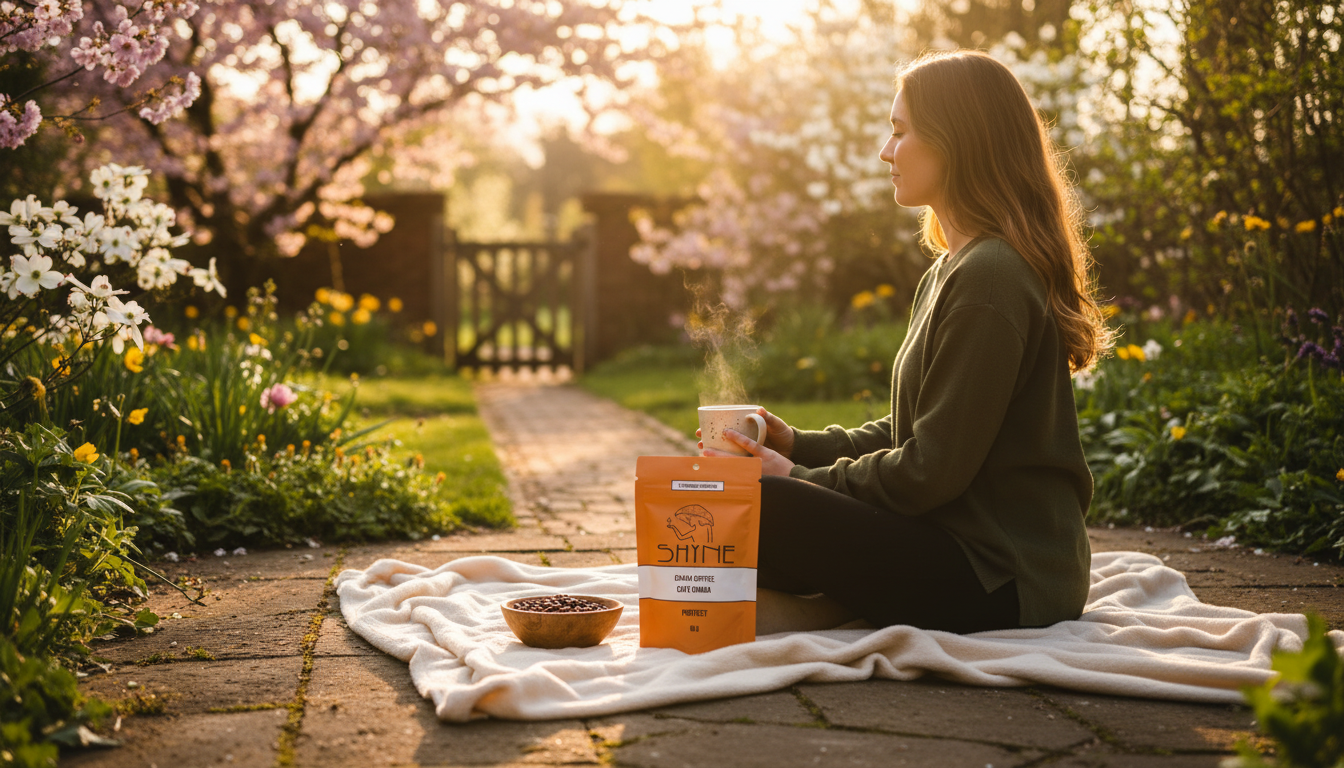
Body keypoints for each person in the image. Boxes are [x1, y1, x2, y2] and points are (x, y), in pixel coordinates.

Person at [699, 50, 1113, 635]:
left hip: (1002, 575)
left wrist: (793, 479)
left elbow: (927, 473)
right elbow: (912, 431)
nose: (885, 151)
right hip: (955, 544)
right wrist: (802, 444)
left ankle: (832, 604)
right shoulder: (954, 267)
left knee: (765, 506)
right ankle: (838, 602)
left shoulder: (991, 276)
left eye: (899, 132)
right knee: (738, 499)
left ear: (957, 141)